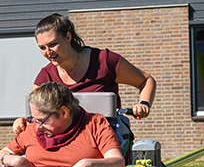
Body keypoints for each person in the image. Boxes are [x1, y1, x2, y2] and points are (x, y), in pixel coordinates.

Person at [13, 13, 156, 134]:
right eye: (42, 48)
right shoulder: (46, 76)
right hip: (69, 140)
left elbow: (146, 80)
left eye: (52, 44)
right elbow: (35, 116)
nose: (48, 52)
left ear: (68, 37)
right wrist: (22, 121)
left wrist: (143, 103)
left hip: (107, 137)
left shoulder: (104, 61)